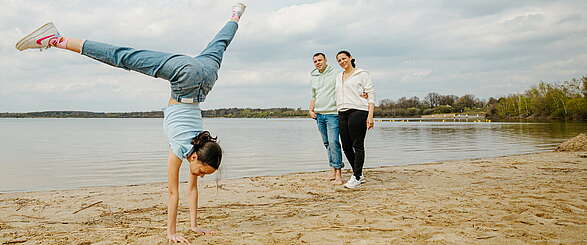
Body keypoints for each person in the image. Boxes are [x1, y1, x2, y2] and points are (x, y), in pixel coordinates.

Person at [15, 3, 246, 243]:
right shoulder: (179, 150)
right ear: (196, 158)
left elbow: (192, 190)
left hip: (206, 78)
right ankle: (55, 39)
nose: (201, 176)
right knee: (122, 57)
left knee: (220, 44)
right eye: (202, 171)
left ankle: (235, 15)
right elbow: (174, 193)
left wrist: (195, 227)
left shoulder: (201, 144)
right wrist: (171, 233)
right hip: (185, 76)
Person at [335, 50, 375, 189]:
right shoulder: (338, 76)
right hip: (342, 112)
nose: (342, 62)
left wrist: (370, 116)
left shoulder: (362, 74)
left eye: (344, 58)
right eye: (339, 60)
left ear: (350, 58)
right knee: (346, 146)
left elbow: (370, 95)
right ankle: (358, 173)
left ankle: (356, 177)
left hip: (358, 111)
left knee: (357, 145)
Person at [309, 53, 344, 184]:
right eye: (315, 61)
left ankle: (339, 174)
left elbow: (344, 87)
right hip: (319, 115)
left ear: (325, 60)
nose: (318, 63)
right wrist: (310, 110)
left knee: (334, 142)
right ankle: (333, 170)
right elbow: (313, 94)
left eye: (320, 60)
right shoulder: (314, 75)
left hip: (333, 114)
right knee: (327, 143)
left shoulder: (335, 73)